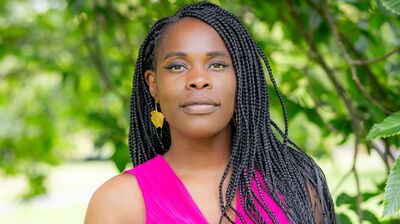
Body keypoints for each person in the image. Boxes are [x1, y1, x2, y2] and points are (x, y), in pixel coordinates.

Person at [84, 2, 336, 223]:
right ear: (153, 84)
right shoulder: (119, 203)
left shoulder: (294, 185)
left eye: (217, 64)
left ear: (242, 79)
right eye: (177, 66)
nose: (198, 79)